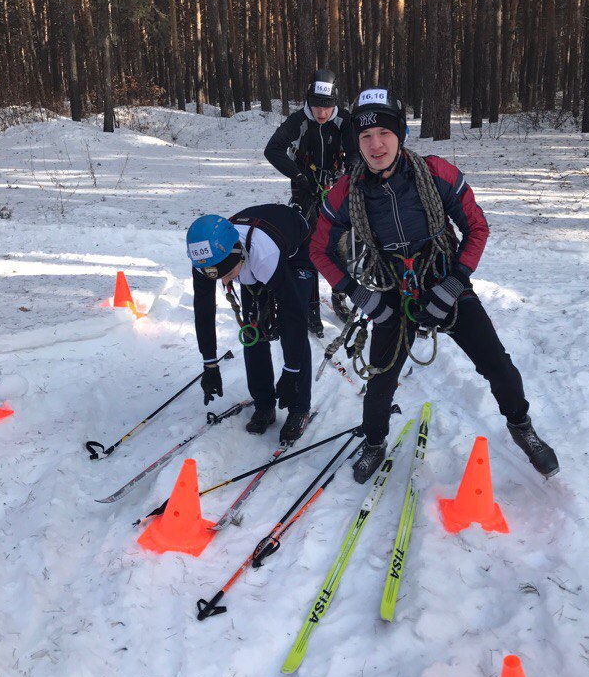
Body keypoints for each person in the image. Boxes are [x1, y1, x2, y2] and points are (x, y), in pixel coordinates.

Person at [310, 87, 559, 482]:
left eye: (384, 133)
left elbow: (476, 227)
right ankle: (374, 442)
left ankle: (522, 426)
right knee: (380, 381)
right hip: (392, 290)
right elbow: (319, 250)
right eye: (365, 136)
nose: (376, 145)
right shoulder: (345, 192)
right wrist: (362, 296)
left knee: (497, 364)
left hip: (444, 277)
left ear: (400, 134)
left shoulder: (436, 173)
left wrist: (453, 284)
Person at [187, 204, 315, 445]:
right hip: (250, 257)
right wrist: (209, 364)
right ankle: (264, 403)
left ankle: (299, 408)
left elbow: (294, 315)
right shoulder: (204, 261)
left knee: (290, 327)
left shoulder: (264, 256)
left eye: (227, 274)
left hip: (295, 250)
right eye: (217, 276)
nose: (224, 282)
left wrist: (292, 372)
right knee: (253, 330)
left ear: (237, 255)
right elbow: (203, 311)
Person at [264, 69, 358, 336]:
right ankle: (309, 303)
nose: (322, 112)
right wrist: (298, 176)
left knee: (342, 242)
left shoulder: (344, 120)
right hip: (304, 185)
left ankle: (340, 294)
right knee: (306, 244)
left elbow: (355, 152)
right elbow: (272, 149)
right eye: (316, 106)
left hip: (335, 187)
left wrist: (348, 175)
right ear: (308, 101)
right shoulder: (298, 120)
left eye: (327, 106)